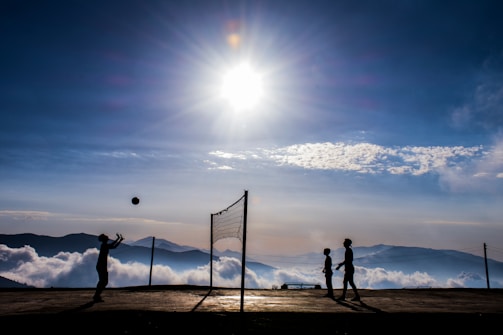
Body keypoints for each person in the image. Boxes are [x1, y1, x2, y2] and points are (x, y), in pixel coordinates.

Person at [93, 233, 124, 302]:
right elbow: (113, 245)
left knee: (102, 281)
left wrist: (119, 239)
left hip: (101, 266)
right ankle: (96, 295)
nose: (108, 238)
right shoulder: (104, 245)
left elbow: (113, 246)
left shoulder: (104, 245)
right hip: (102, 266)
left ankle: (97, 295)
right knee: (103, 281)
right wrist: (119, 239)